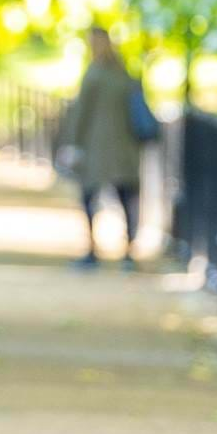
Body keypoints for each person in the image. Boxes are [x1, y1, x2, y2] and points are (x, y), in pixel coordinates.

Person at [57, 25, 154, 267]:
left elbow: (81, 113)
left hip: (96, 148)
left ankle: (92, 251)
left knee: (89, 196)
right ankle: (128, 253)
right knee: (125, 197)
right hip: (125, 149)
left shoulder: (94, 74)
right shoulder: (123, 74)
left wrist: (72, 144)